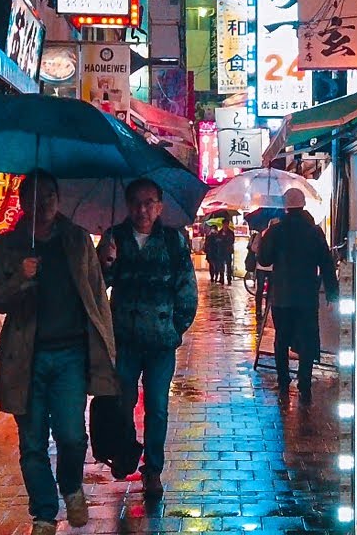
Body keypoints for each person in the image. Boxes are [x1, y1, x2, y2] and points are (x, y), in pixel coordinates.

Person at [0, 171, 119, 535]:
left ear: (58, 200)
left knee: (72, 434)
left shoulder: (76, 240)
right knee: (31, 442)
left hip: (70, 356)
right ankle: (44, 513)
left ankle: (71, 485)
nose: (43, 204)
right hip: (24, 359)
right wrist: (21, 276)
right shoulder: (7, 246)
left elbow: (94, 292)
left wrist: (106, 264)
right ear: (22, 202)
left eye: (49, 196)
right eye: (34, 197)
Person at [98, 178, 198, 498]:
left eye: (149, 202)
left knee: (156, 407)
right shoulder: (115, 237)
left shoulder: (173, 240)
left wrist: (175, 328)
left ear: (160, 206)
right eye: (137, 203)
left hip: (160, 343)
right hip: (124, 339)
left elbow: (187, 289)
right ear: (128, 205)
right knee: (122, 403)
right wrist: (105, 263)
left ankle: (152, 469)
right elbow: (98, 290)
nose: (143, 209)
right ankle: (126, 452)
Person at [257, 188, 339, 405]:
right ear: (303, 205)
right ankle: (305, 382)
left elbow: (264, 260)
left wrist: (265, 235)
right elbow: (326, 263)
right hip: (306, 295)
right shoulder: (314, 231)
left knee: (281, 339)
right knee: (307, 339)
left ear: (285, 206)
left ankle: (283, 380)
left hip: (282, 295)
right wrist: (332, 292)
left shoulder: (276, 230)